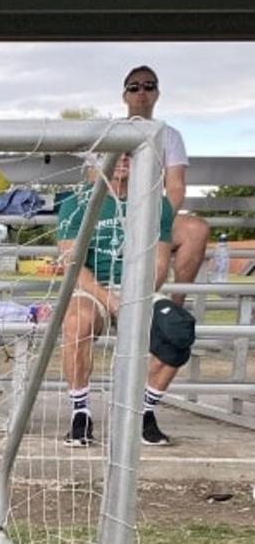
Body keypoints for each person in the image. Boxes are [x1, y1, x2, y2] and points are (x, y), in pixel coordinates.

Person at [59, 155, 195, 447]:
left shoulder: (155, 204)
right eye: (115, 152)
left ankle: (143, 412)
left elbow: (159, 264)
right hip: (94, 288)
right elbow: (73, 266)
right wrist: (110, 300)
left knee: (178, 328)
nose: (122, 159)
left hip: (137, 288)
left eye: (129, 153)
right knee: (76, 322)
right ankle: (80, 413)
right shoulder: (75, 203)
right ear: (97, 159)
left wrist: (133, 298)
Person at [121, 65, 208, 307]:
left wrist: (157, 220)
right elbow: (93, 181)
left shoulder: (169, 135)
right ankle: (114, 306)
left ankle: (175, 308)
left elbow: (176, 187)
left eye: (149, 86)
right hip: (113, 216)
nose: (142, 91)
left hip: (152, 216)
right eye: (134, 87)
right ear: (125, 95)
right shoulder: (111, 133)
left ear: (157, 94)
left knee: (196, 229)